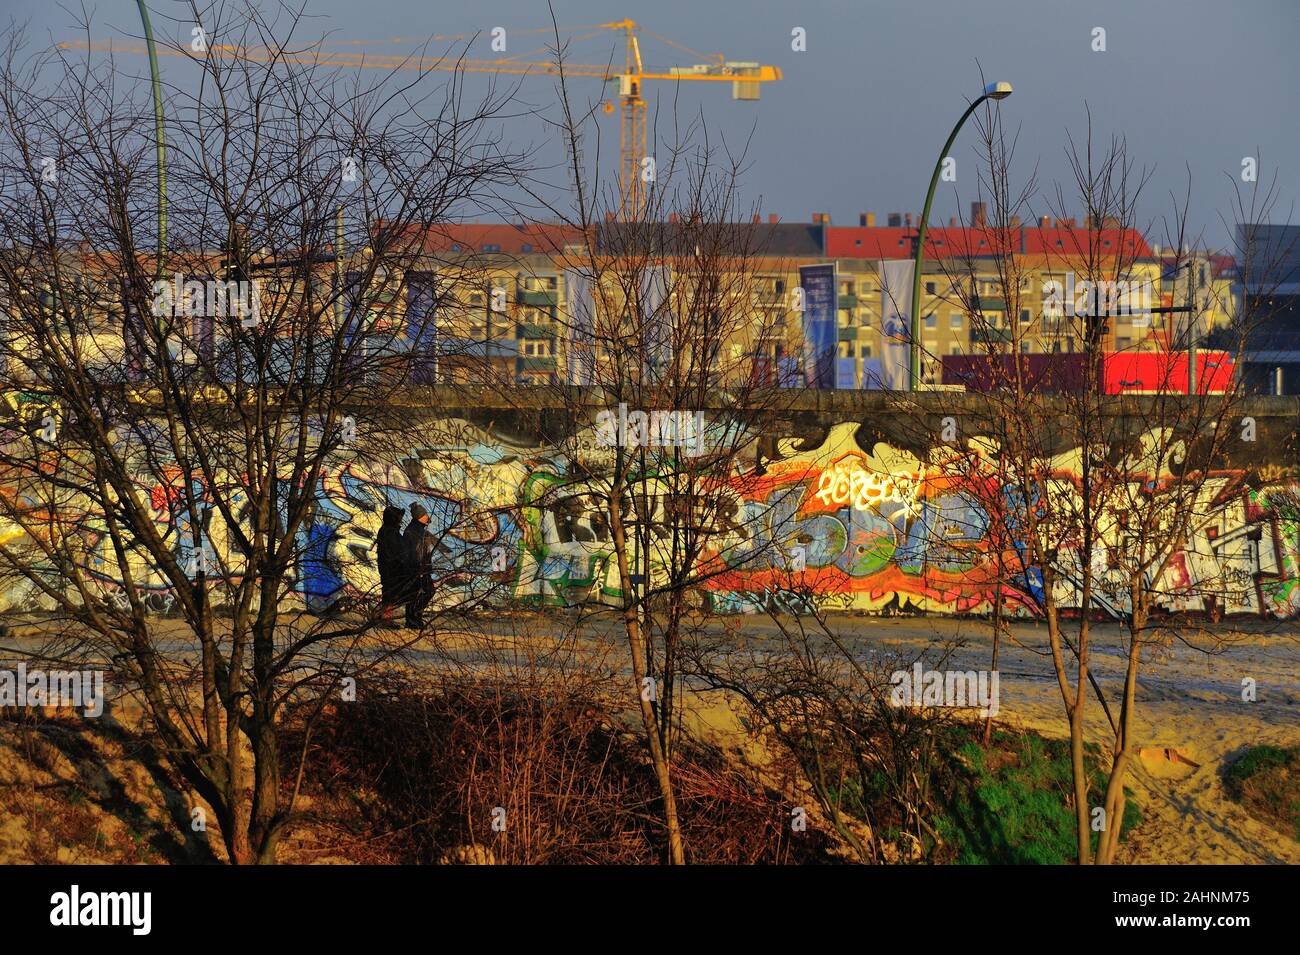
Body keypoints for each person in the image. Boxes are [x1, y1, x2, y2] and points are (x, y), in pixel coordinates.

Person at [403, 502, 434, 628]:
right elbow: (414, 552)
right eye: (425, 514)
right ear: (419, 516)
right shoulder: (413, 531)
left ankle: (414, 619)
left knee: (418, 593)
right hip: (417, 568)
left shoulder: (419, 529)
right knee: (424, 592)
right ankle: (413, 619)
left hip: (421, 568)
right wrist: (419, 568)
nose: (427, 516)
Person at [374, 505, 406, 629]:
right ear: (393, 518)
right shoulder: (390, 532)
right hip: (391, 567)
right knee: (390, 593)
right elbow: (396, 551)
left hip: (389, 566)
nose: (401, 520)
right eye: (399, 517)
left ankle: (382, 616)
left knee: (390, 592)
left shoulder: (388, 530)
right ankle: (385, 618)